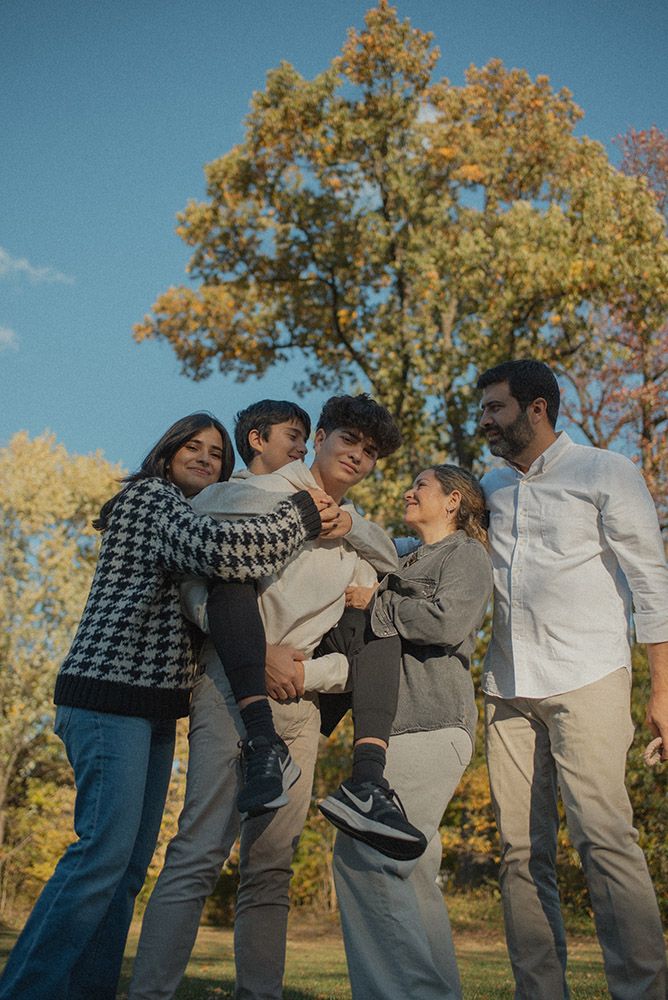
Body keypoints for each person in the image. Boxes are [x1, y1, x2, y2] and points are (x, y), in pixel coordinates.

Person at [0, 412, 325, 1000]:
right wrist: (301, 513)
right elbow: (224, 553)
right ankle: (26, 989)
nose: (204, 458)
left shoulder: (188, 508)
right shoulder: (153, 499)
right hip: (108, 697)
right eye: (192, 447)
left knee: (126, 871)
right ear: (167, 453)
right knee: (102, 855)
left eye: (215, 453)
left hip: (151, 709)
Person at [128, 393, 401, 1000]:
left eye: (370, 452)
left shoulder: (353, 537)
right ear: (320, 439)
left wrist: (310, 675)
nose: (357, 456)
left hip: (300, 706)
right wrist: (258, 652)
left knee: (271, 868)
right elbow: (197, 580)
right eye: (348, 441)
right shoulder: (247, 493)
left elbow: (380, 596)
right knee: (199, 851)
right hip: (233, 686)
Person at [477, 359, 668, 1000]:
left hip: (589, 676)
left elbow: (652, 583)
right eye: (483, 410)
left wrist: (662, 691)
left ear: (536, 408)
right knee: (518, 853)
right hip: (507, 687)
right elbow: (447, 548)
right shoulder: (491, 486)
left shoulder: (605, 471)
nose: (485, 421)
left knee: (603, 839)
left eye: (496, 408)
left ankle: (642, 991)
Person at [331, 464, 493, 1000]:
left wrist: (377, 603)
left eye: (421, 485)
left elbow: (448, 621)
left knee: (367, 854)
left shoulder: (465, 554)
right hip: (395, 729)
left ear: (453, 500)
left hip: (428, 722)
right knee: (413, 871)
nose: (408, 491)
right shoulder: (403, 558)